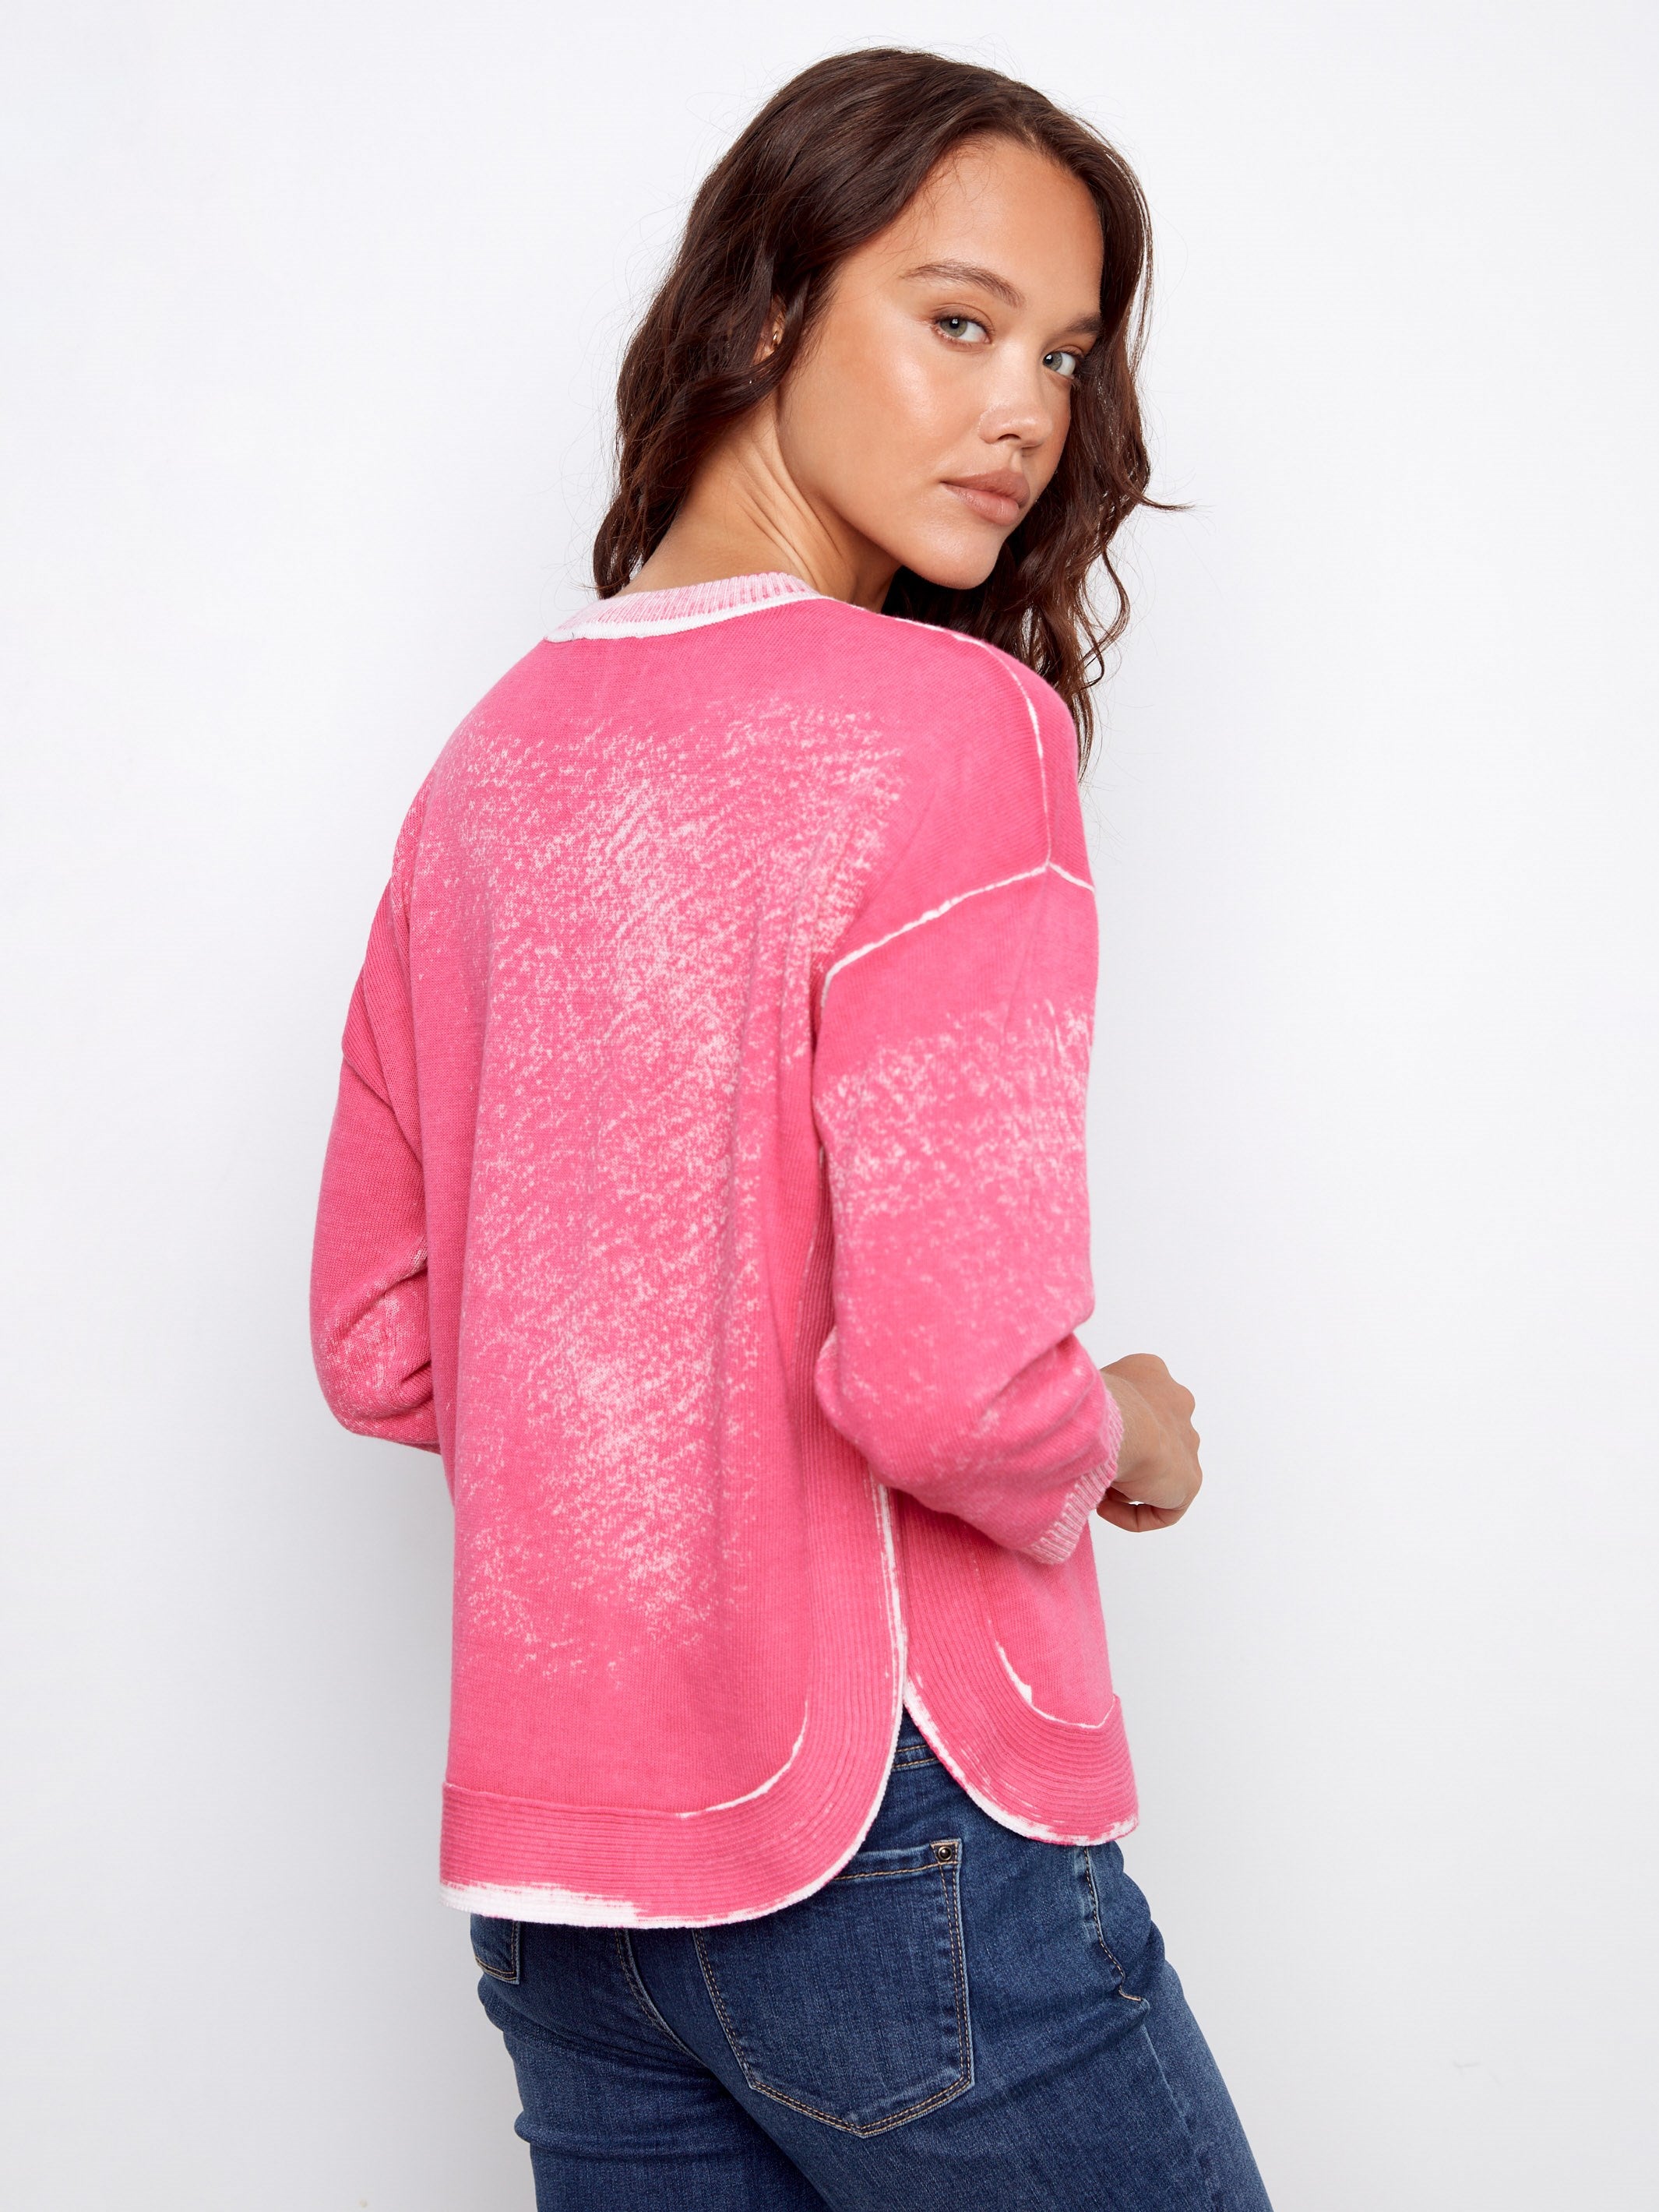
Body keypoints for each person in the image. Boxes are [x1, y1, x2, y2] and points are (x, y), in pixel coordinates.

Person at [309, 44, 1275, 2212]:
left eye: (1061, 354)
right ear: (763, 310)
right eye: (958, 320)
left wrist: (648, 1397)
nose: (1025, 413)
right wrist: (1118, 1425)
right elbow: (948, 1389)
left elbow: (379, 1341)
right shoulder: (956, 730)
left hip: (571, 1895)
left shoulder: (491, 765)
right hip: (895, 1835)